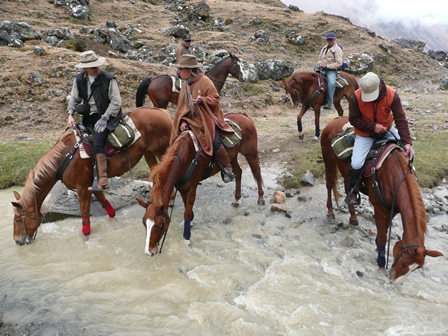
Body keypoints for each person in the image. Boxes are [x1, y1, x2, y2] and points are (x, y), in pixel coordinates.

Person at [346, 72, 414, 205]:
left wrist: (407, 143)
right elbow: (353, 119)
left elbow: (400, 119)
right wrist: (373, 127)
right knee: (356, 163)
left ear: (380, 87)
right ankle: (353, 191)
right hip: (365, 134)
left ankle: (410, 183)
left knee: (409, 153)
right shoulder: (356, 97)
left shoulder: (392, 95)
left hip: (387, 130)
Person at [171, 54, 235, 183]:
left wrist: (204, 100)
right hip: (190, 120)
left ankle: (227, 168)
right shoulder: (184, 85)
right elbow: (181, 109)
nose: (178, 72)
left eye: (181, 69)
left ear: (189, 71)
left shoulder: (205, 81)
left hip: (207, 117)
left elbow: (216, 100)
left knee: (214, 141)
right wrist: (182, 121)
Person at [66, 50, 123, 190]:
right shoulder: (79, 79)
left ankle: (102, 178)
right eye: (93, 67)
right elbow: (74, 98)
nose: (97, 69)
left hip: (108, 115)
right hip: (89, 116)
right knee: (76, 140)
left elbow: (116, 102)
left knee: (97, 142)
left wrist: (104, 118)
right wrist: (70, 114)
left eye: (97, 66)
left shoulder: (109, 79)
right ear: (85, 68)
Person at [318, 32, 343, 110]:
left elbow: (339, 63)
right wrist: (320, 64)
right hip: (322, 69)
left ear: (334, 39)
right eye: (328, 39)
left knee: (331, 84)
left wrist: (327, 66)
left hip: (331, 71)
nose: (329, 41)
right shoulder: (324, 48)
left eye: (331, 39)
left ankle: (330, 103)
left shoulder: (338, 50)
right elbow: (319, 58)